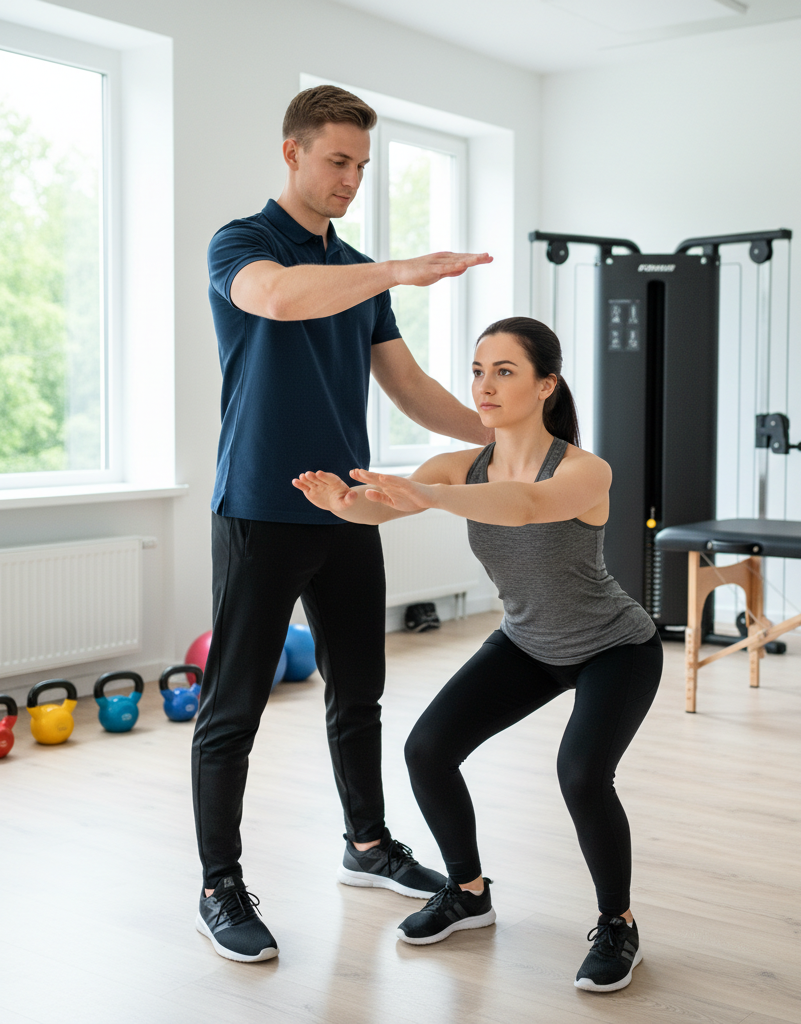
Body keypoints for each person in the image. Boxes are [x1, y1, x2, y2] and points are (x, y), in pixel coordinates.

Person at [194, 84, 493, 964]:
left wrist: (506, 434)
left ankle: (367, 844)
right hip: (260, 505)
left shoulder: (359, 269)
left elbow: (408, 388)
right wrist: (399, 269)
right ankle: (219, 883)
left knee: (357, 687)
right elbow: (279, 299)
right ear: (291, 152)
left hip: (349, 507)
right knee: (233, 708)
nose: (352, 179)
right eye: (338, 160)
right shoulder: (241, 245)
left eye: (362, 166)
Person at [293, 317, 663, 993]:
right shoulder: (459, 465)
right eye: (476, 370)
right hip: (527, 641)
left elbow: (523, 506)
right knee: (427, 749)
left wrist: (431, 494)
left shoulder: (584, 470)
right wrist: (344, 504)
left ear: (547, 385)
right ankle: (468, 892)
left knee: (582, 775)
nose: (483, 385)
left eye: (504, 371)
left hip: (616, 647)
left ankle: (619, 924)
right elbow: (383, 507)